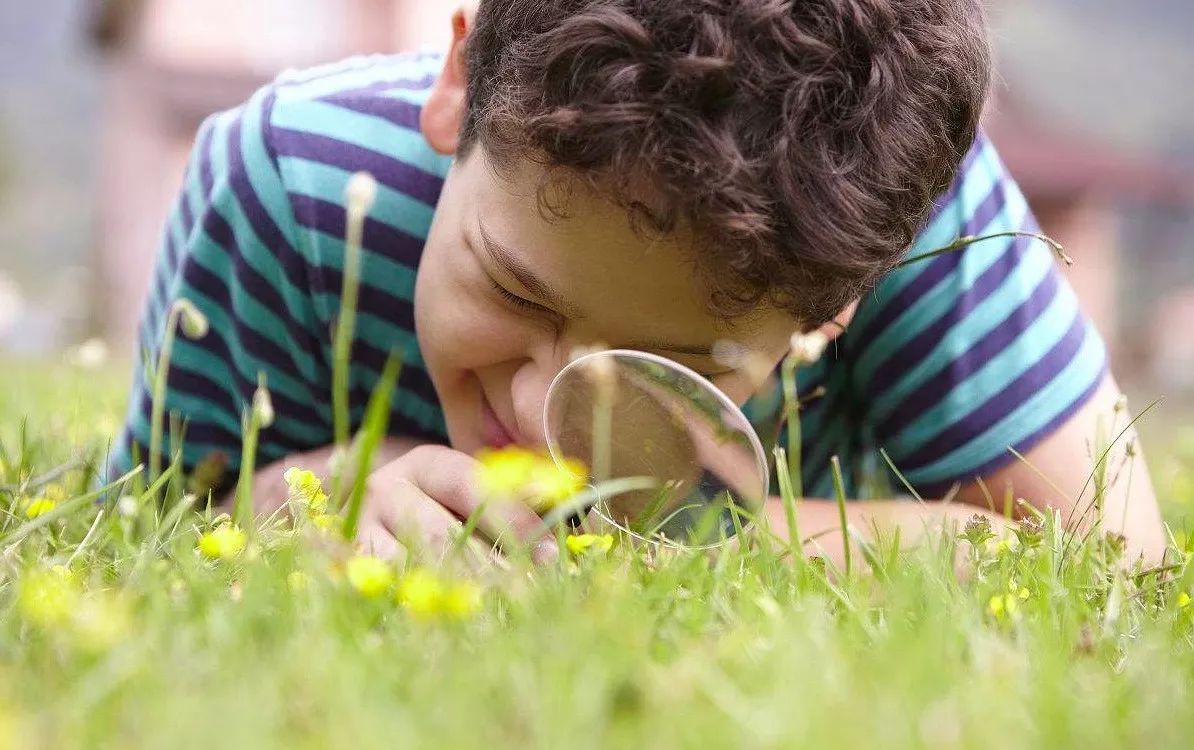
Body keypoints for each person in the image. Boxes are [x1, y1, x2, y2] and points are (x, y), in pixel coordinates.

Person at [111, 0, 1165, 564]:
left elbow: (1113, 559)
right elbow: (148, 520)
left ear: (838, 304)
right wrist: (316, 493)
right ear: (459, 84)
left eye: (674, 368)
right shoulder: (293, 181)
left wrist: (684, 542)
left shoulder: (911, 221)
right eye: (516, 294)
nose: (543, 412)